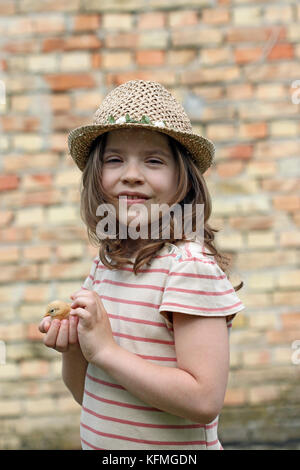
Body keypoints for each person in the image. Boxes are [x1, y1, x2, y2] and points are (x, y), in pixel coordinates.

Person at [39, 80, 245, 450]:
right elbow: (88, 395)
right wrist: (75, 347)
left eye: (153, 160)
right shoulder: (106, 265)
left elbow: (203, 401)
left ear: (184, 179)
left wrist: (105, 351)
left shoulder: (188, 266)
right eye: (115, 159)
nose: (131, 174)